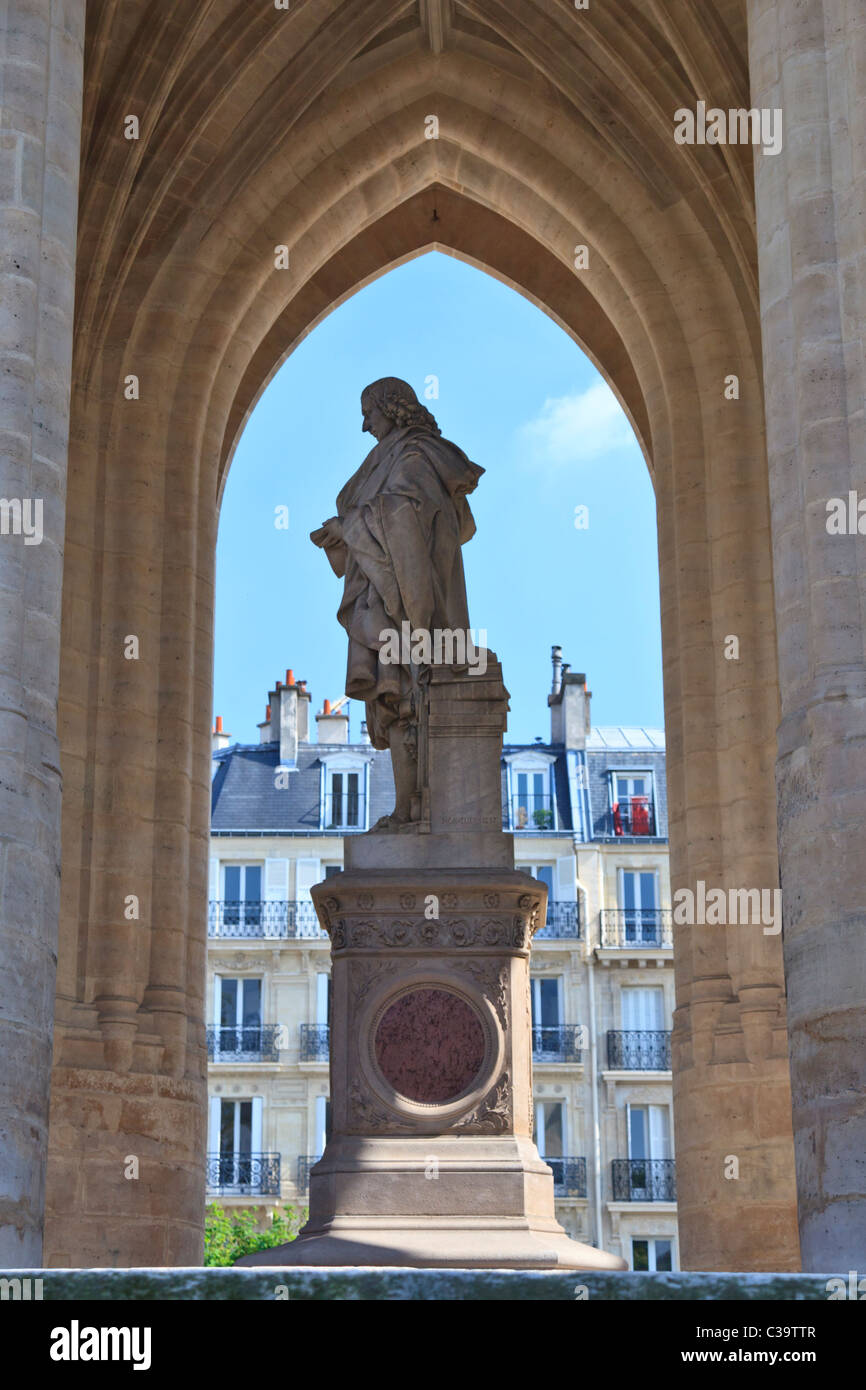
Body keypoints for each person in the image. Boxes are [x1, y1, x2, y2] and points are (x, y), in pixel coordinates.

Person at [311, 377, 483, 830]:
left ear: (392, 407)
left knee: (409, 692)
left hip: (407, 600)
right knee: (395, 700)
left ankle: (422, 810)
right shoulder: (393, 455)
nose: (365, 425)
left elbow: (404, 514)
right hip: (382, 591)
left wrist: (349, 526)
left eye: (369, 412)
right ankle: (408, 807)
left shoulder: (417, 455)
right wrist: (345, 530)